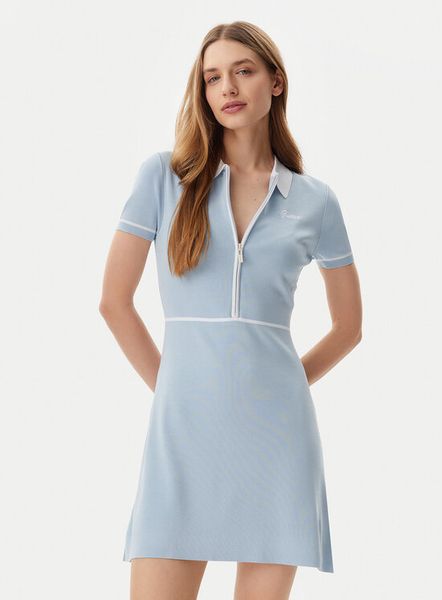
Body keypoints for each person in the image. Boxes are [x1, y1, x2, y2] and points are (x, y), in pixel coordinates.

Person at [99, 20, 363, 600]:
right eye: (213, 77)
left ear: (276, 82)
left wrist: (281, 384)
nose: (227, 88)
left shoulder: (315, 201)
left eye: (243, 71)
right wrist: (175, 387)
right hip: (182, 434)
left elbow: (349, 328)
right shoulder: (164, 177)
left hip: (277, 439)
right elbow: (114, 302)